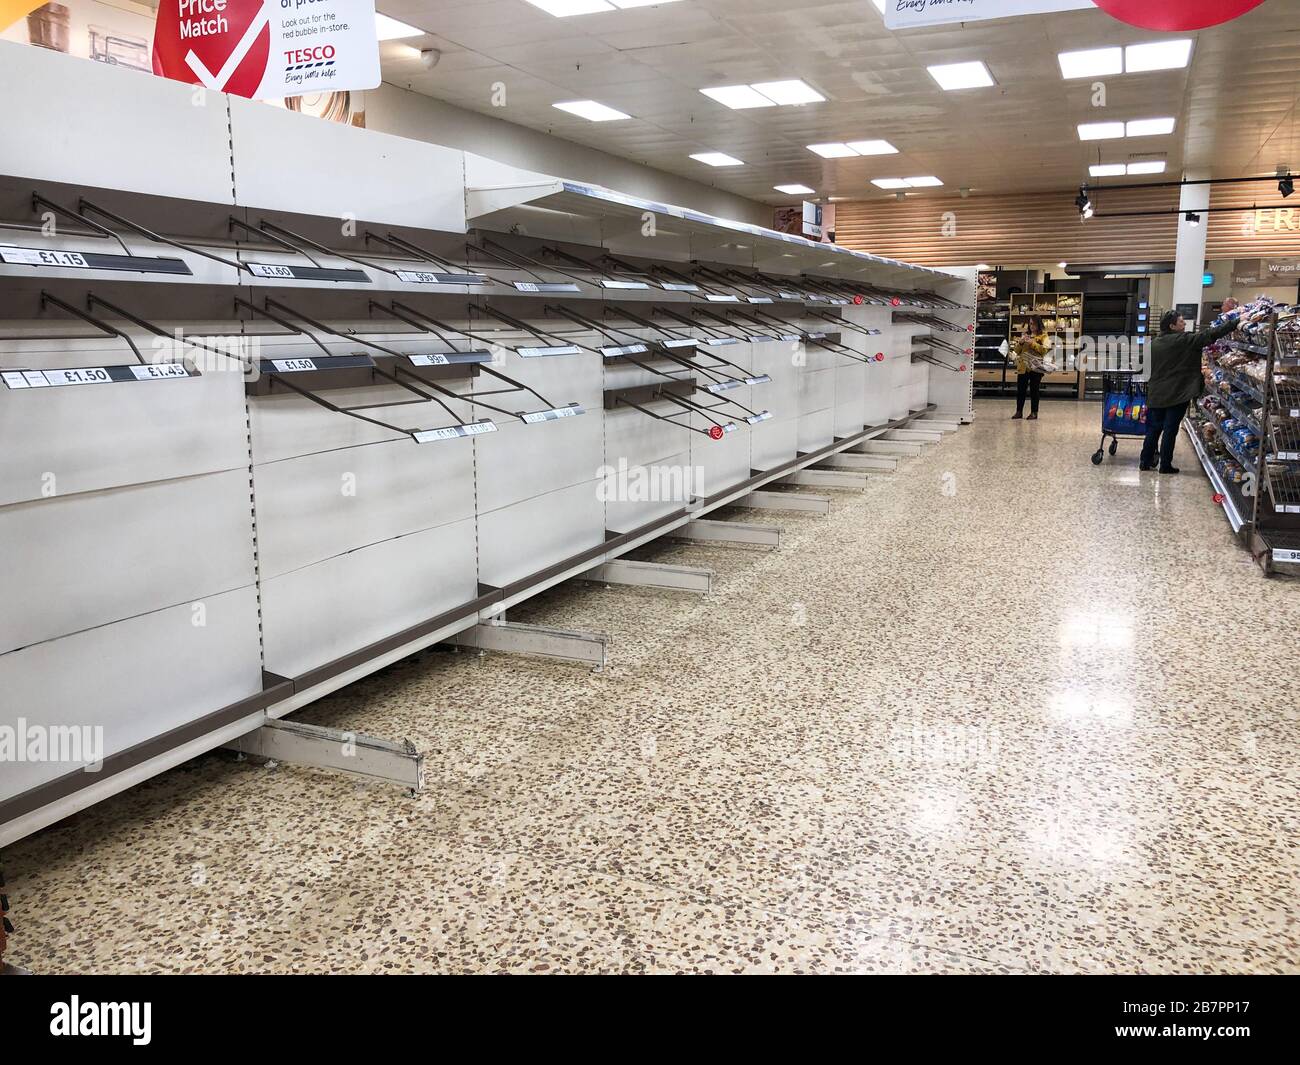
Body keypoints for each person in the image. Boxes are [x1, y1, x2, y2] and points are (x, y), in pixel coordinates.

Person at [1140, 309, 1240, 474]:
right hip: (1177, 394)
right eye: (1181, 321)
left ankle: (1145, 461)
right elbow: (1211, 334)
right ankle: (1165, 465)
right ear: (1172, 326)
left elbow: (1144, 367)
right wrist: (1235, 322)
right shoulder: (1184, 340)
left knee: (1153, 429)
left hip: (1156, 393)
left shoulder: (1153, 344)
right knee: (1170, 430)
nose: (1184, 323)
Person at [1010, 315, 1051, 420]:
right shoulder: (1025, 335)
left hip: (1035, 368)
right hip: (1023, 367)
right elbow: (1016, 350)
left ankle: (1034, 412)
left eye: (1034, 324)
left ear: (1039, 324)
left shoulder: (1044, 336)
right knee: (1020, 391)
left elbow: (1044, 350)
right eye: (1030, 323)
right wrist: (1021, 342)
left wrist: (1032, 343)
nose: (1032, 326)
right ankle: (1019, 412)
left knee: (1034, 391)